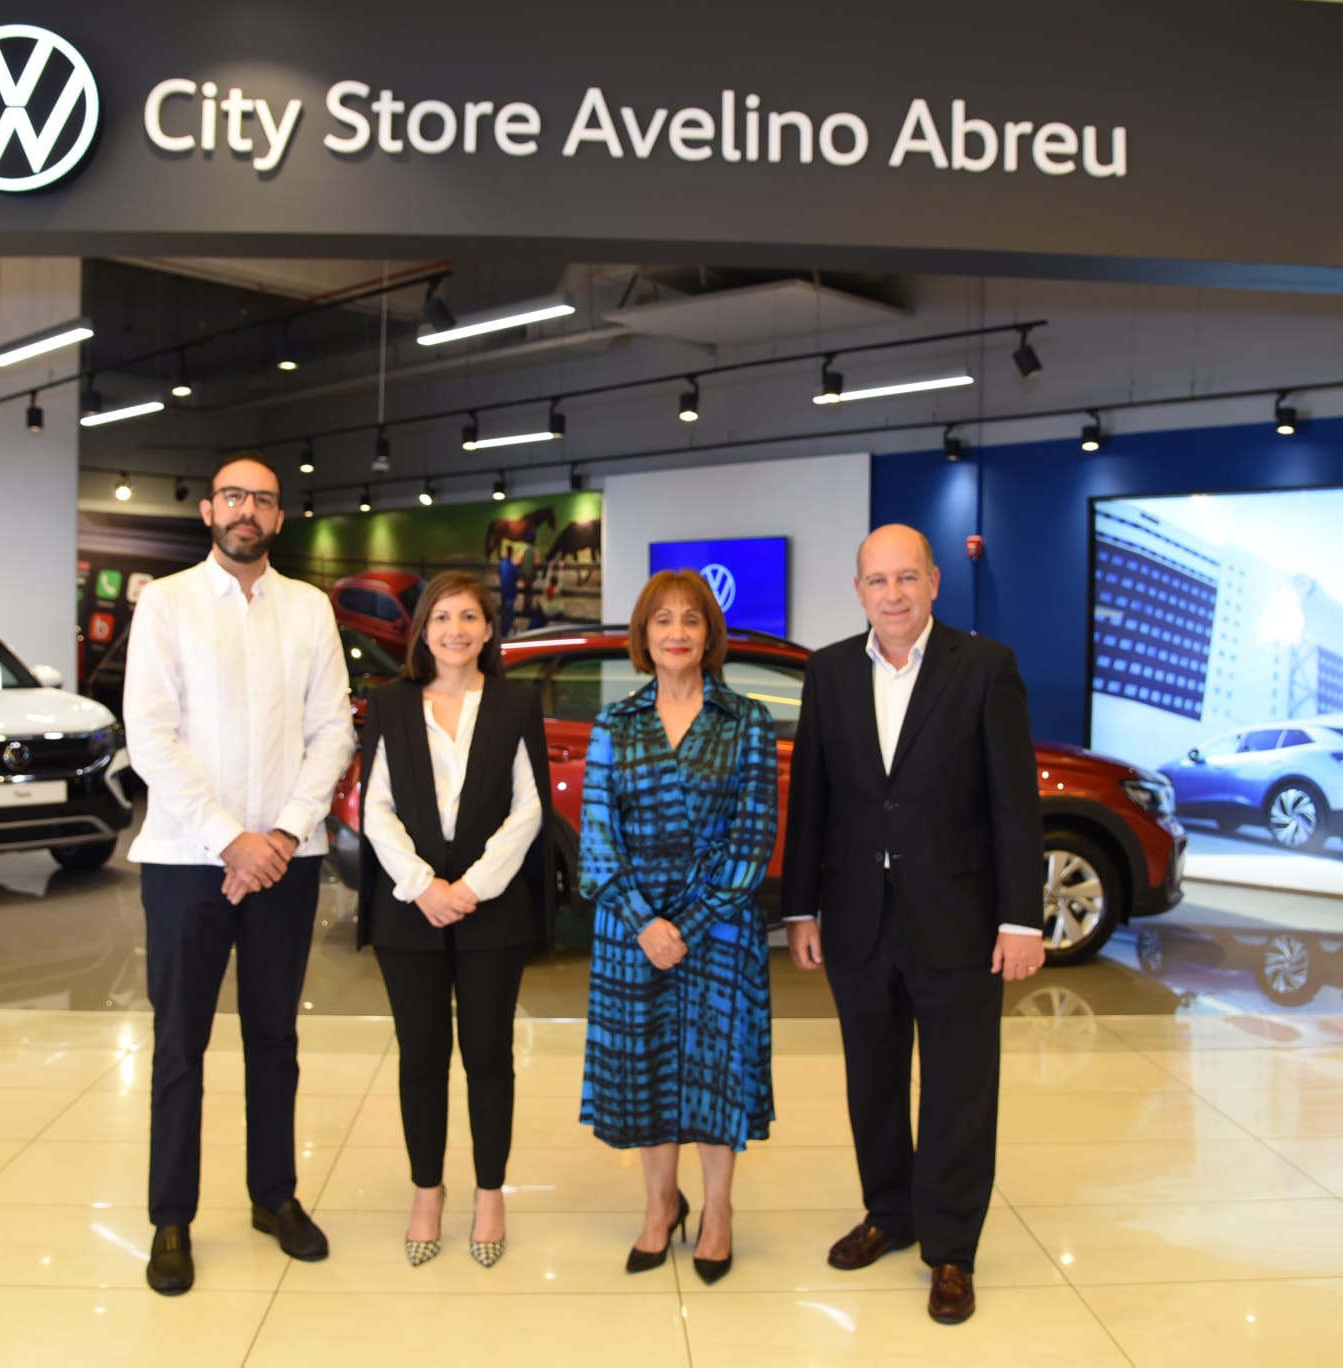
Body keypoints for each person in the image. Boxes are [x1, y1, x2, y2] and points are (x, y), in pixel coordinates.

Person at [780, 523, 1044, 1326]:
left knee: (962, 1088)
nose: (892, 594)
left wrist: (1020, 920)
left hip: (960, 920)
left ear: (933, 582)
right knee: (874, 1080)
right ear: (858, 590)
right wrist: (800, 907)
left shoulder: (986, 667)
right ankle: (890, 1213)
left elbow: (1013, 803)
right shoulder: (827, 671)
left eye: (906, 578)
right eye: (877, 581)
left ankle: (951, 1249)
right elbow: (814, 798)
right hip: (858, 917)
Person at [124, 452, 355, 1296]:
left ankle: (274, 1198)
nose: (246, 510)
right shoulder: (167, 605)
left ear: (281, 517)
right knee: (180, 1043)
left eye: (261, 498)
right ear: (208, 510)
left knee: (274, 1039)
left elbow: (333, 730)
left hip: (287, 864)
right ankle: (171, 1219)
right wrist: (232, 840)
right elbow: (151, 737)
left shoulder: (310, 608)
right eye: (233, 496)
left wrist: (284, 835)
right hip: (190, 862)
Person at [579, 569, 778, 1286]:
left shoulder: (746, 719)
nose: (676, 633)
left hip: (717, 927)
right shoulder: (615, 723)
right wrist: (645, 923)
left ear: (709, 634)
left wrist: (684, 924)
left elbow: (753, 841)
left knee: (715, 1071)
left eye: (690, 620)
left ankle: (718, 1211)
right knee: (646, 1072)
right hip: (632, 931)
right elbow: (597, 840)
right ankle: (660, 1205)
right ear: (643, 635)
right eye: (662, 620)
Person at [358, 570, 554, 1268]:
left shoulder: (515, 702)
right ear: (422, 632)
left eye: (469, 617)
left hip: (490, 912)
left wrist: (468, 887)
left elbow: (530, 808)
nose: (455, 630)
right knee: (421, 1058)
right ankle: (427, 1190)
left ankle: (491, 1191)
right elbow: (374, 807)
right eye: (441, 618)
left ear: (488, 629)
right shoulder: (390, 703)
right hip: (409, 913)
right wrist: (422, 885)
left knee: (489, 1057)